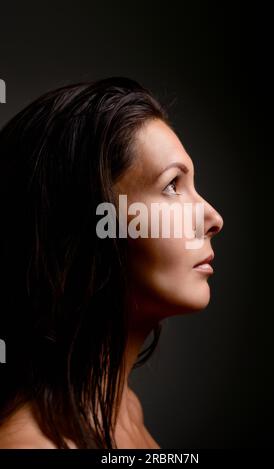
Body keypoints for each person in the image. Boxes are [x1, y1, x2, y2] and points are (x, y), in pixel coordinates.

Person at [0, 77, 223, 449]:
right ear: (91, 224)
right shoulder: (30, 444)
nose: (213, 218)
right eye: (171, 186)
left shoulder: (126, 411)